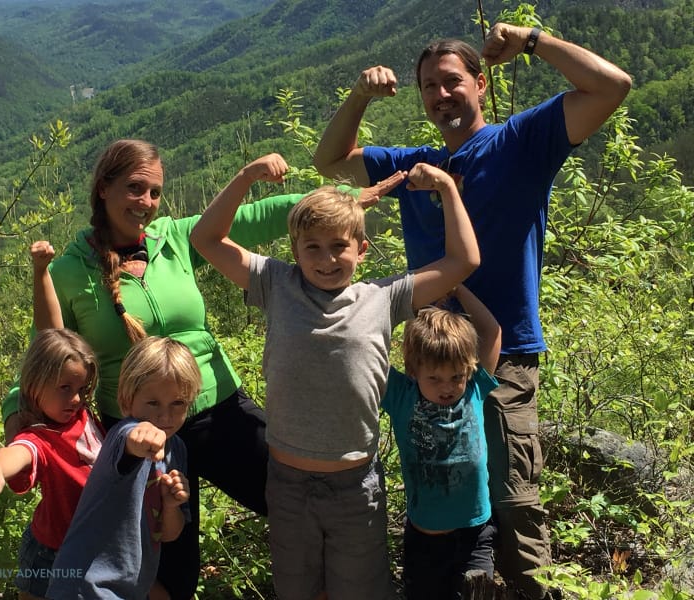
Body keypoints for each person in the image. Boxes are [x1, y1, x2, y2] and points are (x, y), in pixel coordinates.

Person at [312, 22, 631, 599]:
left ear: (481, 84)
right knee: (448, 494)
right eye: (428, 87)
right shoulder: (413, 166)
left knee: (510, 500)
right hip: (429, 359)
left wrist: (534, 42)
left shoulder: (522, 142)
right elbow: (329, 160)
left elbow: (612, 86)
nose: (441, 95)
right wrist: (359, 95)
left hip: (503, 357)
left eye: (452, 81)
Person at [0, 138, 310, 598]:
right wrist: (16, 409)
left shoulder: (175, 238)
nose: (146, 203)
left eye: (155, 192)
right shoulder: (68, 271)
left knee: (296, 499)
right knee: (167, 572)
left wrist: (336, 200)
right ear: (103, 189)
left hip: (219, 410)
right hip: (140, 435)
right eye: (134, 188)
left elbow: (255, 217)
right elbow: (46, 353)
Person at [190, 152, 479, 600]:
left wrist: (445, 187)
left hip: (355, 487)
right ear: (295, 250)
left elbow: (463, 261)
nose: (326, 259)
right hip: (286, 484)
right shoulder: (275, 283)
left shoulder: (384, 298)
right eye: (313, 247)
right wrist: (246, 176)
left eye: (339, 246)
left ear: (361, 250)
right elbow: (206, 238)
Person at [47, 336, 200, 600]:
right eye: (152, 403)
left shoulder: (178, 450)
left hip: (128, 590)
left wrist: (172, 504)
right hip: (85, 587)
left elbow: (169, 534)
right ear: (127, 402)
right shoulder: (122, 434)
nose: (165, 416)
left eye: (178, 404)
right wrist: (144, 436)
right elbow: (135, 440)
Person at [382, 284, 501, 599]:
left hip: (476, 536)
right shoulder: (400, 396)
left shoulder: (475, 390)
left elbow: (491, 332)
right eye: (434, 378)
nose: (447, 387)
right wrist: (413, 300)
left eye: (456, 376)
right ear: (413, 370)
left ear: (469, 371)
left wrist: (458, 289)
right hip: (426, 542)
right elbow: (368, 346)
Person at [0, 328, 103, 599]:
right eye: (64, 388)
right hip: (50, 552)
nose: (76, 398)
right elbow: (19, 451)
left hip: (90, 548)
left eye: (82, 389)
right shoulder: (41, 437)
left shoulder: (82, 416)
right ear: (34, 386)